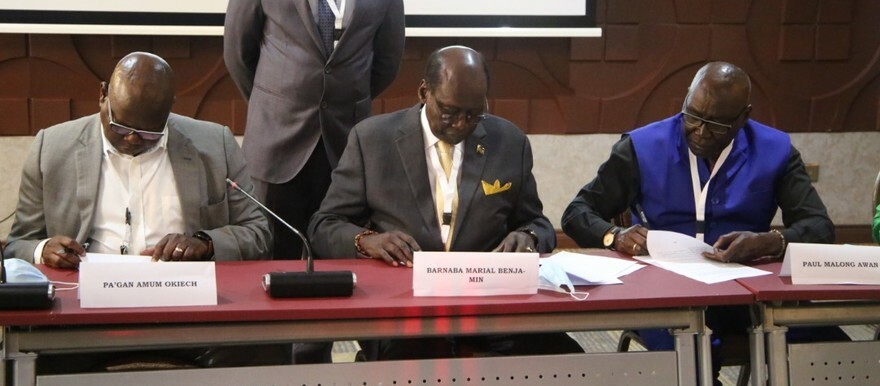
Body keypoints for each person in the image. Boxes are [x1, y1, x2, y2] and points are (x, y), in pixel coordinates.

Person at [561, 61, 846, 385]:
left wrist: (771, 241)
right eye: (693, 115)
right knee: (690, 356)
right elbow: (577, 212)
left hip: (748, 293)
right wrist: (614, 236)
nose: (699, 130)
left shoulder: (775, 150)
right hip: (663, 296)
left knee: (833, 349)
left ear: (743, 116)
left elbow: (820, 227)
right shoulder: (642, 146)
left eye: (716, 124)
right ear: (686, 99)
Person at [5, 52, 285, 372]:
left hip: (190, 313)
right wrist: (43, 249)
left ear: (170, 110)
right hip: (82, 315)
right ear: (102, 95)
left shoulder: (214, 144)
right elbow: (17, 245)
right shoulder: (51, 148)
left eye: (150, 132)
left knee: (264, 346)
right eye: (121, 127)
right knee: (37, 354)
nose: (134, 138)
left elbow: (259, 232)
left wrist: (205, 242)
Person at [309, 45, 582, 359]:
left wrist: (528, 237)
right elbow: (324, 226)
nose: (462, 124)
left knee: (568, 361)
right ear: (424, 92)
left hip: (492, 307)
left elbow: (538, 223)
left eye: (474, 114)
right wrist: (365, 240)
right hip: (406, 308)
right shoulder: (372, 140)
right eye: (450, 112)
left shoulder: (509, 142)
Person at [223, 0, 405, 259]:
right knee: (272, 255)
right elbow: (238, 52)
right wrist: (274, 102)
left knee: (336, 254)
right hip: (276, 139)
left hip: (344, 138)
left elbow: (388, 60)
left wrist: (343, 100)